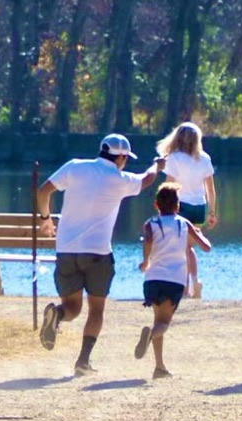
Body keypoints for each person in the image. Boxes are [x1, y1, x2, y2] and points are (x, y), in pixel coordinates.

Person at [36, 133, 165, 376]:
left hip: (66, 251)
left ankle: (57, 314)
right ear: (122, 158)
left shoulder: (74, 167)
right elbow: (147, 179)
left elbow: (43, 192)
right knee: (96, 309)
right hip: (98, 253)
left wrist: (46, 219)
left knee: (72, 308)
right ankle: (83, 361)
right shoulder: (119, 179)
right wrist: (157, 165)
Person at [134, 183, 212, 378]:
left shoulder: (150, 223)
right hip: (174, 280)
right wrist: (200, 235)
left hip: (152, 279)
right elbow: (206, 247)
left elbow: (148, 240)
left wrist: (145, 261)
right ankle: (151, 337)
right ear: (178, 206)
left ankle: (159, 367)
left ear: (156, 205)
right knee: (163, 324)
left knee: (157, 319)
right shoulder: (184, 223)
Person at [156, 122, 217, 298]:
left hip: (180, 206)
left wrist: (161, 206)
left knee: (182, 248)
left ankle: (184, 288)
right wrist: (212, 212)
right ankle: (194, 281)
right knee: (188, 247)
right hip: (199, 207)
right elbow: (210, 189)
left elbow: (168, 186)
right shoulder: (204, 158)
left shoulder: (174, 158)